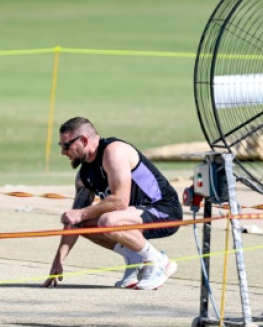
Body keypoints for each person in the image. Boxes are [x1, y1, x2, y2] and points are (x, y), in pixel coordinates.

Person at [43, 117, 183, 291]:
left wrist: (81, 213)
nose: (63, 152)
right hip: (132, 217)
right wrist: (58, 261)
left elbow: (120, 201)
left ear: (84, 140)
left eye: (66, 146)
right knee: (84, 224)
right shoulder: (83, 175)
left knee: (107, 221)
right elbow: (76, 220)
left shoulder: (113, 152)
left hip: (164, 211)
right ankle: (135, 260)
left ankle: (159, 262)